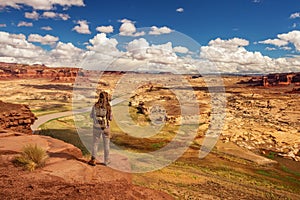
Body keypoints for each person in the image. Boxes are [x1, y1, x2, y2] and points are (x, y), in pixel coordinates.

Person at [88, 91, 112, 166]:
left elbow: (91, 116)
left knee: (95, 143)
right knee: (106, 144)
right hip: (105, 128)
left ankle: (93, 160)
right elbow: (110, 118)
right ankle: (106, 161)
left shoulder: (95, 105)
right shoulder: (108, 106)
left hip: (96, 127)